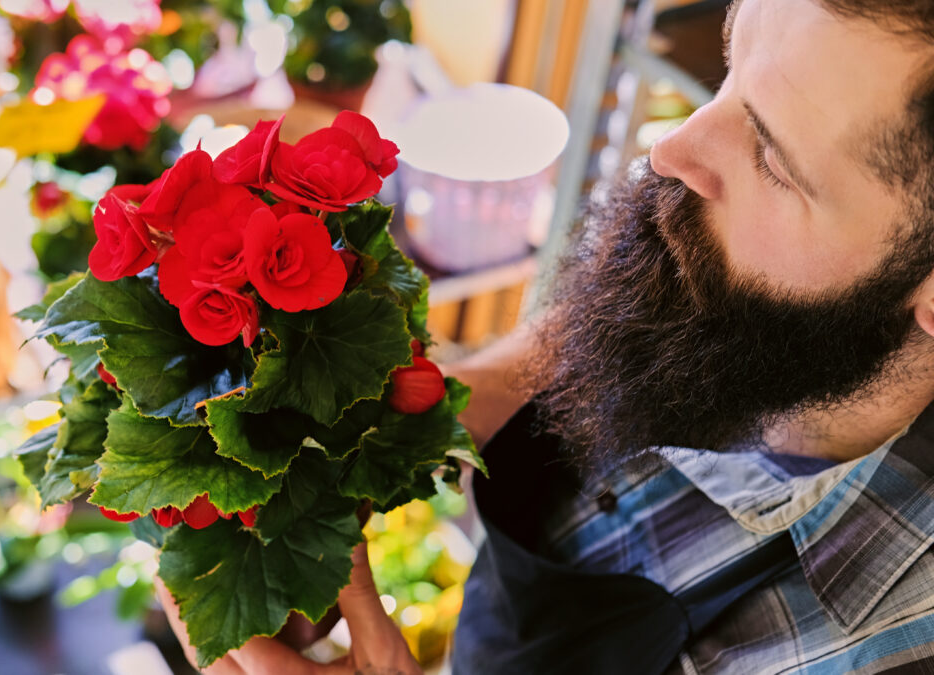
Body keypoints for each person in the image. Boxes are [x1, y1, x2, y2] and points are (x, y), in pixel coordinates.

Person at [156, 0, 934, 671]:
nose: (670, 149)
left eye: (771, 157)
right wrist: (428, 415)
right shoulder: (786, 311)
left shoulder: (879, 649)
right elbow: (657, 310)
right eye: (730, 62)